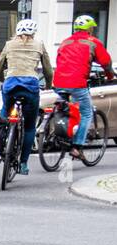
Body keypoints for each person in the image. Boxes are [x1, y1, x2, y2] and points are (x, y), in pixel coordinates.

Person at [52, 14, 114, 160]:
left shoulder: (65, 42)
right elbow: (105, 61)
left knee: (64, 108)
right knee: (86, 113)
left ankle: (57, 134)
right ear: (90, 28)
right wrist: (110, 75)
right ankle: (77, 147)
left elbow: (60, 60)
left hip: (59, 81)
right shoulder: (93, 42)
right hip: (77, 83)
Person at [0, 20, 52, 174]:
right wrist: (48, 84)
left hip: (10, 85)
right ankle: (24, 163)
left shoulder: (9, 44)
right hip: (30, 87)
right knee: (29, 126)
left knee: (4, 115)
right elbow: (47, 69)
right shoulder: (39, 45)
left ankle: (0, 144)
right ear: (33, 32)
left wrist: (2, 79)